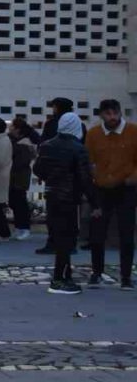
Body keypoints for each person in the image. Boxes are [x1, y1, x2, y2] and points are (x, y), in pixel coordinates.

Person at [33, 113, 94, 295]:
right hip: (69, 198)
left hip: (52, 195)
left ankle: (62, 278)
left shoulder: (46, 146)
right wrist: (94, 202)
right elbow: (84, 178)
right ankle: (60, 279)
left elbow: (38, 169)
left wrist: (52, 177)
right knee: (67, 240)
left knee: (59, 237)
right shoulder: (78, 148)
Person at [84, 99, 137, 289]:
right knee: (97, 234)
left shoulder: (133, 131)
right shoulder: (94, 134)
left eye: (115, 113)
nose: (112, 117)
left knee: (126, 233)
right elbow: (88, 160)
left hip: (126, 188)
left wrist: (132, 178)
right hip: (102, 189)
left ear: (120, 113)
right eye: (108, 114)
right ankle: (96, 272)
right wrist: (94, 176)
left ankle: (126, 276)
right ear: (101, 115)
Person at [8, 118, 38, 241]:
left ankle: (24, 227)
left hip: (19, 177)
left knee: (19, 202)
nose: (9, 128)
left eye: (12, 126)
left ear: (17, 129)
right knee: (15, 201)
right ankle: (19, 227)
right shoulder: (18, 141)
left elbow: (21, 162)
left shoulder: (24, 143)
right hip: (16, 176)